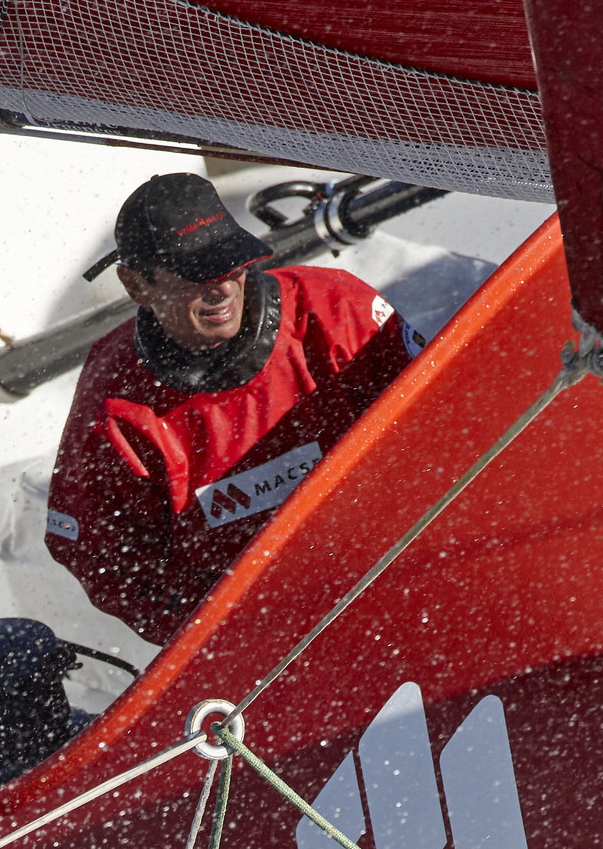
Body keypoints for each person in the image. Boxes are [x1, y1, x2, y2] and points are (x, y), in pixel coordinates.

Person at [45, 173, 410, 645]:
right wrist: (235, 638)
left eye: (230, 263)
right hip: (266, 650)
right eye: (198, 276)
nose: (222, 288)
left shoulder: (338, 310)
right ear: (136, 285)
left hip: (404, 576)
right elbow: (106, 562)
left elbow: (448, 435)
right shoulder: (115, 405)